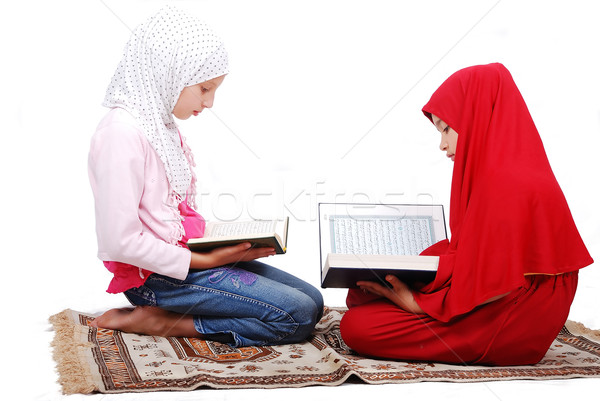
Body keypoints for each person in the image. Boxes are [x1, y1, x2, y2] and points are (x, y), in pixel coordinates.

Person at [87, 6, 323, 347]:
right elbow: (118, 241)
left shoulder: (158, 126)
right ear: (169, 73)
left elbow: (170, 216)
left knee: (312, 301)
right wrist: (205, 260)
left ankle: (203, 302)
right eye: (204, 89)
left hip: (185, 262)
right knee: (295, 316)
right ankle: (163, 321)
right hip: (157, 279)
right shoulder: (120, 134)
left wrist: (223, 246)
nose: (210, 102)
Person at [339, 63, 593, 365]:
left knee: (358, 327)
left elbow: (499, 286)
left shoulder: (508, 181)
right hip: (499, 296)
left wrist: (419, 303)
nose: (442, 144)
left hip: (513, 314)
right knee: (361, 295)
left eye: (446, 129)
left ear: (478, 117)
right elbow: (483, 257)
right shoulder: (500, 169)